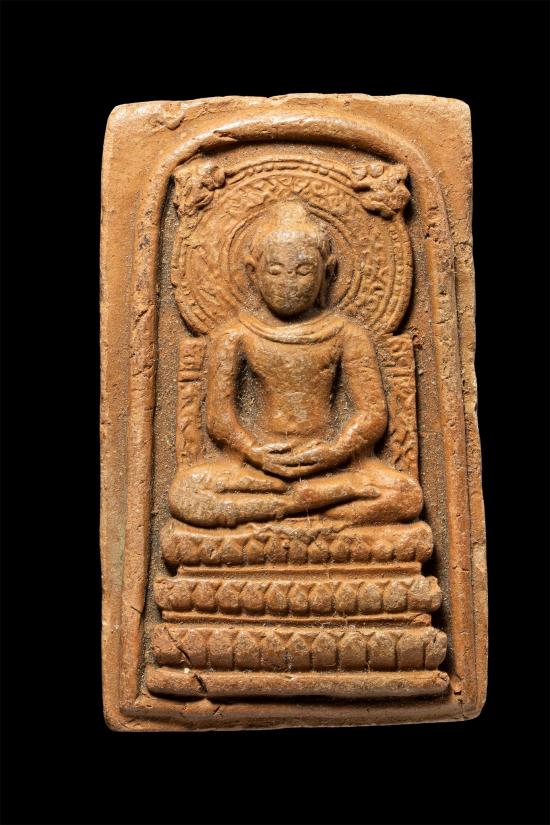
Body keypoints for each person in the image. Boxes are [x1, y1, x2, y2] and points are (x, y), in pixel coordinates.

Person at [169, 200, 422, 528]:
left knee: (406, 495)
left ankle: (290, 505)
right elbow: (220, 420)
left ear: (328, 271)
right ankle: (300, 506)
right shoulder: (235, 335)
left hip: (334, 467)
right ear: (253, 272)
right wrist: (257, 453)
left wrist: (334, 452)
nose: (288, 282)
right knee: (186, 493)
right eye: (275, 271)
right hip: (257, 469)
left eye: (303, 271)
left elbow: (372, 414)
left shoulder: (347, 334)